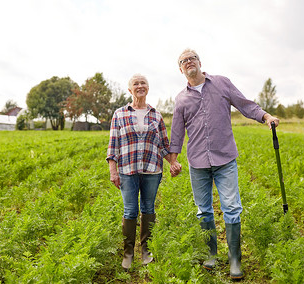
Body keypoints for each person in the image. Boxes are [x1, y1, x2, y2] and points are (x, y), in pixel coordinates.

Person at [169, 49, 279, 280]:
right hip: (198, 162)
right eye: (183, 61)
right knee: (204, 211)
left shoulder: (221, 83)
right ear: (180, 69)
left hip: (225, 159)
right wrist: (173, 159)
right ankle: (211, 255)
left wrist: (266, 116)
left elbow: (245, 104)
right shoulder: (181, 99)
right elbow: (177, 132)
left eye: (192, 58)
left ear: (200, 62)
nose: (189, 62)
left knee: (231, 208)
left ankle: (235, 259)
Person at [107, 73, 181, 270]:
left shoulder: (156, 115)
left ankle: (146, 250)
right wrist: (113, 171)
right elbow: (113, 145)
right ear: (130, 89)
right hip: (127, 170)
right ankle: (128, 253)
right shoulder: (119, 114)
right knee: (130, 210)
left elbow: (164, 145)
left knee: (148, 209)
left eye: (143, 83)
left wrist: (173, 162)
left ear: (147, 88)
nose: (140, 86)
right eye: (136, 83)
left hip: (152, 170)